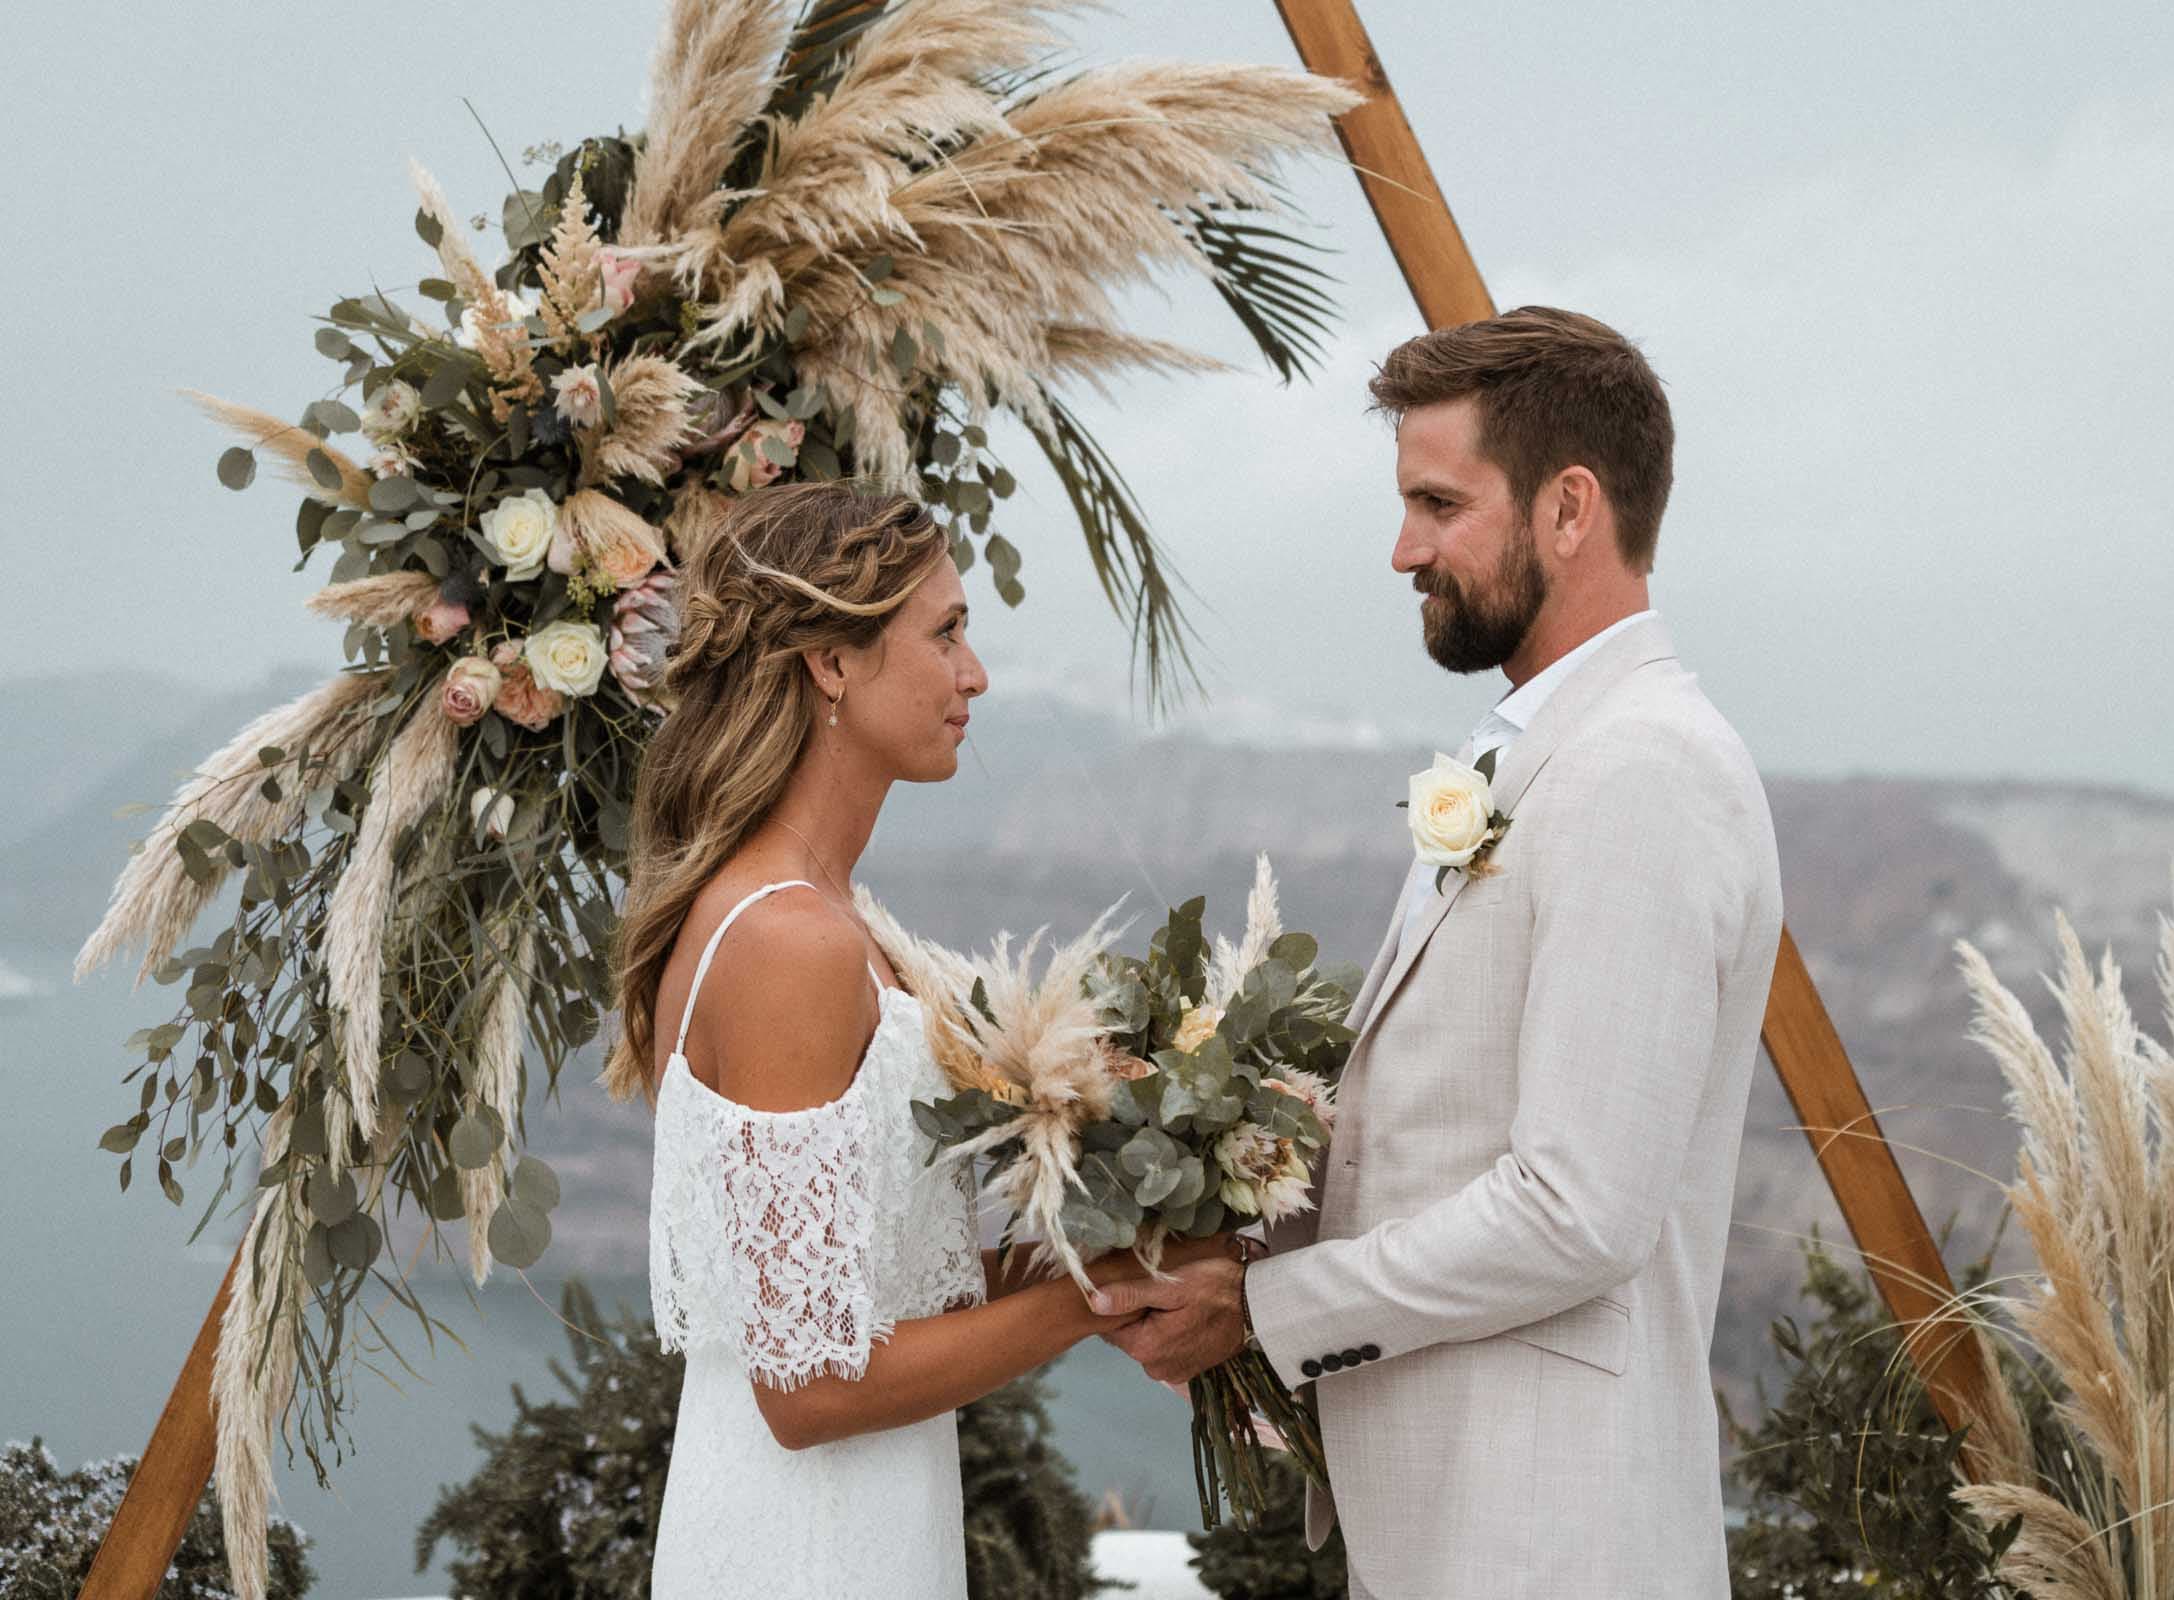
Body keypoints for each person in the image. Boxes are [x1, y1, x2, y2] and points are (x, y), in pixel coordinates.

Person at [1091, 307, 1786, 1598]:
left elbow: (1578, 1212)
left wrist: (1266, 1312)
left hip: (1548, 1536)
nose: (1403, 549)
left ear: (1569, 509)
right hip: (1459, 1521)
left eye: (1438, 503)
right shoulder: (1536, 752)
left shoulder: (1640, 770)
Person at [601, 483, 1224, 1598]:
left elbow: (873, 1293)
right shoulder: (790, 941)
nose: (973, 674)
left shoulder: (831, 914)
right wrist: (1099, 1295)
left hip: (870, 1525)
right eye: (944, 633)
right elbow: (809, 1391)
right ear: (831, 662)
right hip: (804, 1551)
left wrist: (1125, 1241)